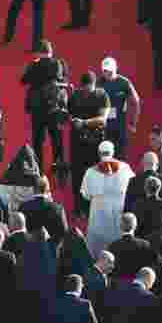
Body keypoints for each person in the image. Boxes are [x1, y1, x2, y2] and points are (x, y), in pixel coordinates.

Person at [67, 71, 111, 216]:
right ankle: (79, 208)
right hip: (78, 142)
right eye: (84, 90)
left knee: (95, 174)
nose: (87, 93)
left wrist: (84, 123)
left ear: (94, 85)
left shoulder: (102, 95)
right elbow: (69, 115)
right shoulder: (74, 96)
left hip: (95, 142)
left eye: (89, 90)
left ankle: (92, 207)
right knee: (77, 176)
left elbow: (103, 119)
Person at [21, 40, 69, 171]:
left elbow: (23, 80)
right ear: (50, 51)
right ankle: (58, 165)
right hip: (55, 107)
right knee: (56, 138)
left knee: (37, 140)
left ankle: (38, 167)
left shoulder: (34, 65)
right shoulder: (59, 63)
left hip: (38, 109)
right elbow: (63, 79)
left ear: (38, 53)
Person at [81, 141, 135, 257]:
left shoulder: (90, 172)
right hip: (118, 216)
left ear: (99, 153)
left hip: (98, 218)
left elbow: (85, 195)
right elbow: (133, 188)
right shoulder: (125, 168)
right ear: (113, 152)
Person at [96, 57, 141, 159]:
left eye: (110, 71)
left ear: (115, 69)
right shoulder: (98, 83)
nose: (107, 74)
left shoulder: (124, 82)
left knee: (121, 157)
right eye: (105, 71)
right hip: (104, 128)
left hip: (120, 127)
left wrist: (133, 121)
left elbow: (136, 102)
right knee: (104, 157)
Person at [18, 175, 69, 248]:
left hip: (30, 250)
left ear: (33, 189)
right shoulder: (58, 208)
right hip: (53, 252)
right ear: (46, 189)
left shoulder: (23, 207)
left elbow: (21, 233)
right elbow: (64, 233)